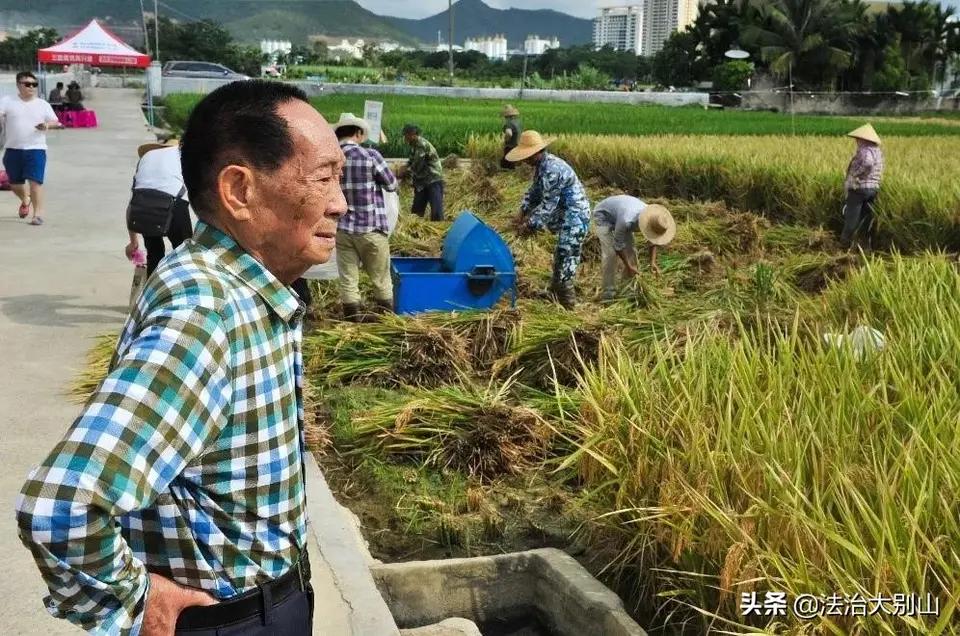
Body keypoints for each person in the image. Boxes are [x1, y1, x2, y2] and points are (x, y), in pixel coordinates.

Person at [16, 80, 347, 635]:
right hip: (228, 621)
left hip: (267, 603)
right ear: (239, 190)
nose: (340, 200)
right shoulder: (207, 310)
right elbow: (62, 505)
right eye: (322, 177)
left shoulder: (245, 288)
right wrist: (139, 599)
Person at [507, 130, 591, 309]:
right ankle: (554, 292)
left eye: (527, 156)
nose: (524, 160)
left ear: (537, 152)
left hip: (575, 215)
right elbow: (534, 193)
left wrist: (528, 226)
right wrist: (521, 212)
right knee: (560, 254)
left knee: (566, 253)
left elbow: (547, 206)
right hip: (564, 214)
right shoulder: (541, 168)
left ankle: (569, 304)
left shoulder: (553, 170)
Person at [333, 112, 399, 321]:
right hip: (371, 228)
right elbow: (391, 184)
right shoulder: (370, 156)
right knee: (381, 279)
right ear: (358, 133)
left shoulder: (333, 160)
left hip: (342, 230)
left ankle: (352, 324)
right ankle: (386, 322)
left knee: (349, 280)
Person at [0, 71, 64, 226]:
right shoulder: (7, 101)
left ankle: (38, 214)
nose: (31, 87)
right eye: (27, 84)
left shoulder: (43, 104)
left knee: (35, 182)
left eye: (34, 84)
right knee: (15, 184)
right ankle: (25, 199)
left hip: (36, 148)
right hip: (13, 149)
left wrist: (47, 125)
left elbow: (57, 122)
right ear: (18, 85)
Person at [124, 138, 193, 276]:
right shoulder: (182, 153)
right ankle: (186, 291)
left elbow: (132, 204)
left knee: (154, 253)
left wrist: (133, 242)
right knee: (185, 254)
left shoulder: (146, 158)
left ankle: (153, 294)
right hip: (173, 202)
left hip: (143, 206)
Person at [592, 195, 676, 301]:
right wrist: (628, 265)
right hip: (603, 215)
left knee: (631, 251)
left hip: (621, 212)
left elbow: (653, 241)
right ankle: (608, 293)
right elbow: (618, 246)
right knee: (610, 254)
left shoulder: (652, 217)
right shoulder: (627, 221)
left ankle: (628, 288)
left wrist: (652, 262)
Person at [841, 123, 883, 250]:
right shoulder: (877, 151)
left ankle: (843, 247)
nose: (856, 141)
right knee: (865, 220)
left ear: (864, 139)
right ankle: (865, 247)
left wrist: (855, 175)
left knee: (851, 219)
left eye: (858, 138)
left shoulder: (865, 150)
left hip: (859, 188)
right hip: (873, 189)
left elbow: (868, 164)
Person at [400, 123, 444, 221]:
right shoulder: (413, 145)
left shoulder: (421, 144)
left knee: (436, 208)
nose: (404, 137)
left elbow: (417, 165)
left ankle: (438, 227)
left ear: (412, 134)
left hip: (433, 178)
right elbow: (411, 161)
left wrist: (405, 173)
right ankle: (415, 225)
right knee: (417, 207)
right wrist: (404, 166)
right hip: (422, 180)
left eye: (405, 135)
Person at [500, 104, 522, 170]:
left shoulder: (509, 123)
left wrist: (506, 140)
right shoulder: (518, 122)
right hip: (518, 144)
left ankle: (507, 173)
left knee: (507, 162)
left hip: (511, 145)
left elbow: (509, 133)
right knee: (514, 160)